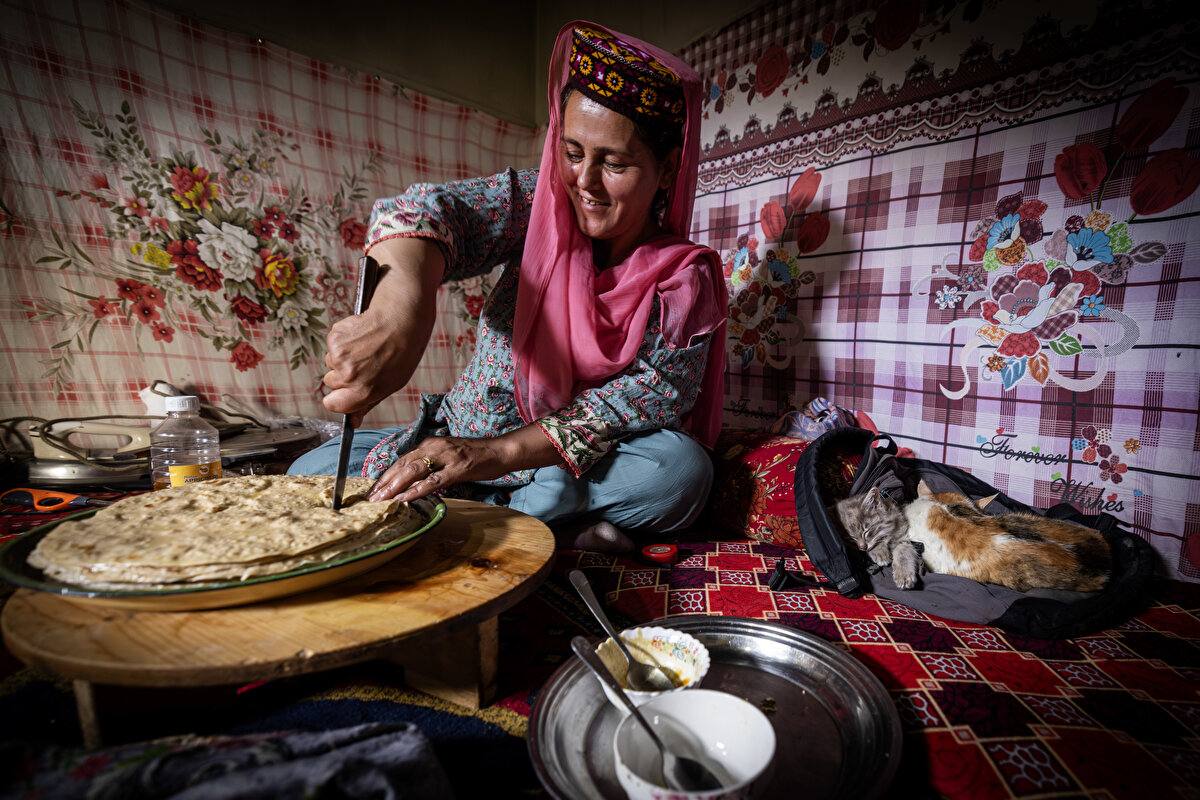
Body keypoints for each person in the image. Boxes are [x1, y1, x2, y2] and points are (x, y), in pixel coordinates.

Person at [289, 21, 727, 551]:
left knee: (680, 473)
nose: (584, 182)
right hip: (462, 437)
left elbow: (638, 403)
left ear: (666, 169)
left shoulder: (684, 277)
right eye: (571, 152)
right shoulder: (538, 205)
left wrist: (483, 456)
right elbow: (426, 212)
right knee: (306, 470)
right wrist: (400, 312)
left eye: (613, 162)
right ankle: (542, 524)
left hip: (562, 462)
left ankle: (481, 516)